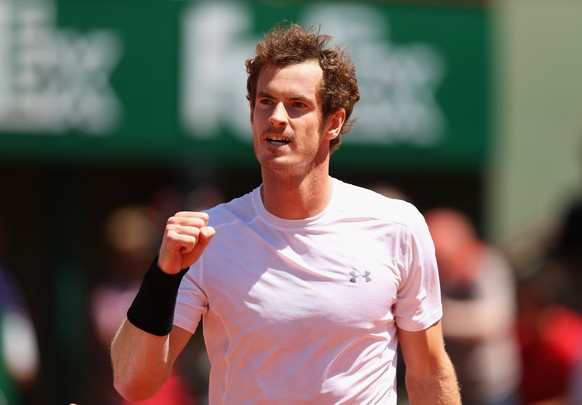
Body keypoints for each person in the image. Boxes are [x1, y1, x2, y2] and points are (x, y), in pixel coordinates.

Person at [110, 22, 460, 404]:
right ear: (251, 115)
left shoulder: (397, 226)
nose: (277, 116)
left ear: (333, 122)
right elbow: (133, 383)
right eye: (265, 101)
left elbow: (428, 373)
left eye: (297, 105)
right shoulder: (210, 237)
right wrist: (162, 277)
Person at [424, 208, 521, 405]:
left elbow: (491, 322)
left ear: (464, 246)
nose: (437, 263)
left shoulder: (489, 265)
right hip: (446, 387)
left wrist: (432, 318)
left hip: (491, 390)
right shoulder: (430, 271)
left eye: (442, 256)